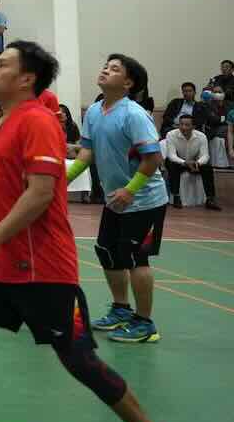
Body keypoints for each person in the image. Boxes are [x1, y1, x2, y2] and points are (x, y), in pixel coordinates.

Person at [0, 40, 184, 422]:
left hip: (41, 268)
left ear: (26, 79)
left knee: (80, 361)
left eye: (2, 65)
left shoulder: (36, 121)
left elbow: (39, 194)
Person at [68, 54, 170, 345]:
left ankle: (145, 322)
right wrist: (60, 183)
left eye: (114, 69)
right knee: (107, 251)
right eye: (105, 66)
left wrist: (130, 190)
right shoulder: (95, 112)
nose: (105, 70)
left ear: (127, 83)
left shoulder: (135, 114)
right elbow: (86, 154)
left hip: (144, 200)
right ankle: (121, 309)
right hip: (116, 200)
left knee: (138, 258)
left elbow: (153, 158)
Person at [160, 114, 218, 210]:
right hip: (179, 162)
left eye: (187, 125)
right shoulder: (171, 134)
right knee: (171, 164)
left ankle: (210, 199)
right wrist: (185, 162)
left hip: (195, 162)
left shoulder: (201, 136)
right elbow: (171, 155)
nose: (183, 127)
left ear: (193, 126)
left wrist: (197, 163)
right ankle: (176, 196)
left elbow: (205, 155)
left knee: (207, 167)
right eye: (181, 124)